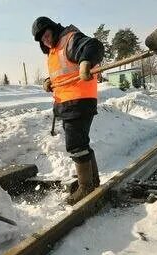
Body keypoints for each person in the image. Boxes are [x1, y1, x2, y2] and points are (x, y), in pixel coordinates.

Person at [31, 17, 104, 204]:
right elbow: (65, 72)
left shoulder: (69, 40)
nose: (46, 40)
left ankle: (86, 187)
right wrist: (50, 81)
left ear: (53, 30)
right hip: (70, 103)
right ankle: (93, 183)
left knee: (76, 145)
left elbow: (93, 46)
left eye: (47, 35)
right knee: (81, 143)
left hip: (79, 100)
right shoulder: (54, 51)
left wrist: (86, 62)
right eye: (42, 40)